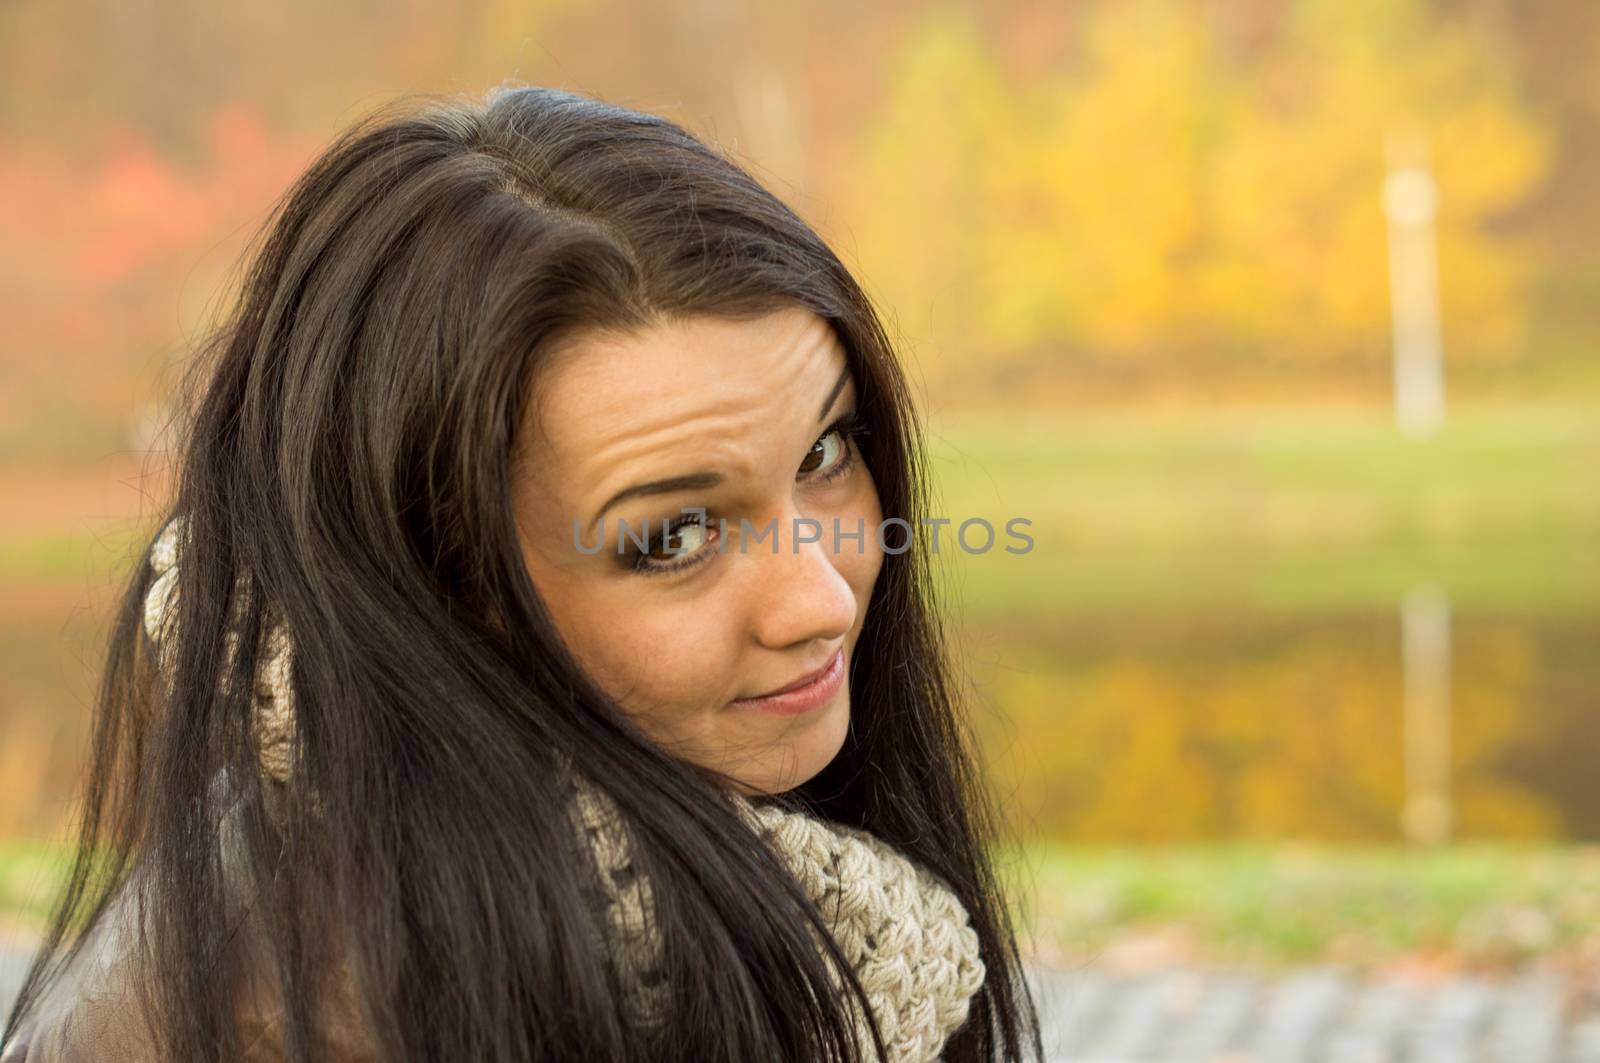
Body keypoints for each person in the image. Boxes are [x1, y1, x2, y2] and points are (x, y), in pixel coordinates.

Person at [0, 85, 1042, 1062]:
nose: (819, 598)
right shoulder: (382, 994)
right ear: (443, 579)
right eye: (674, 536)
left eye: (824, 453)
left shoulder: (471, 872)